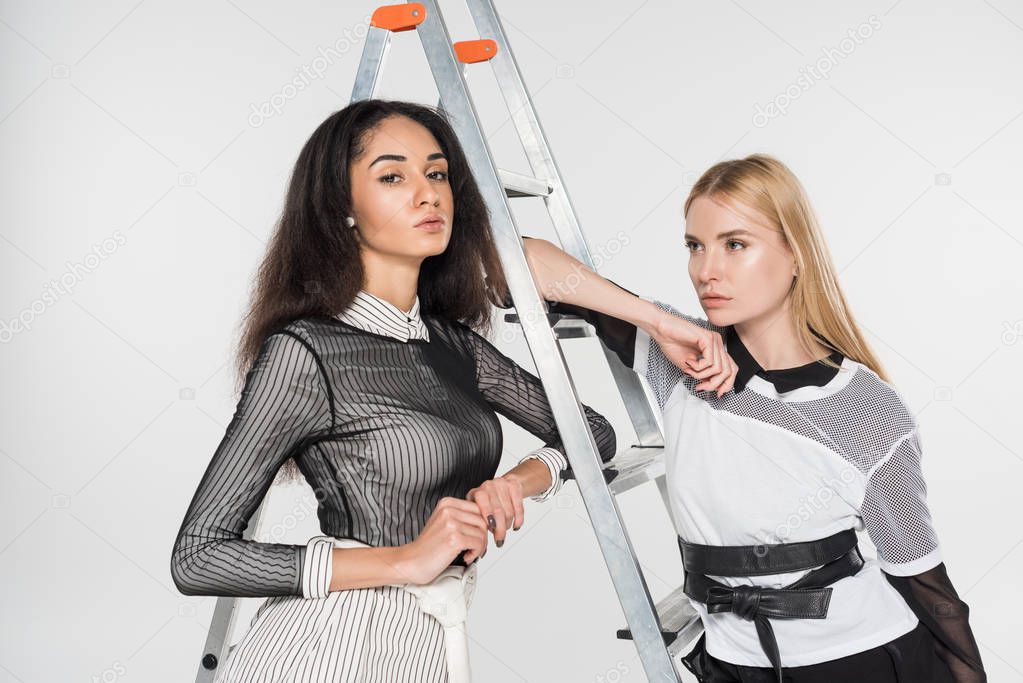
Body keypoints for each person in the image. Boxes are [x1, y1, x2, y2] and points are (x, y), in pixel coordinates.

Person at [169, 99, 616, 682]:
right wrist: (405, 560)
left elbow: (592, 433)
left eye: (436, 173)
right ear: (342, 210)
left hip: (427, 640)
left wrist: (512, 484)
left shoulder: (453, 346)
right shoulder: (307, 352)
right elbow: (198, 557)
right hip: (331, 647)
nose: (428, 193)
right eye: (392, 176)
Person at [514, 154, 985, 682]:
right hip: (734, 665)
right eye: (695, 245)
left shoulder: (866, 408)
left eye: (735, 244)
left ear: (795, 254)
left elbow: (925, 581)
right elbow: (515, 258)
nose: (706, 270)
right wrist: (657, 321)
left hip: (864, 660)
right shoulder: (679, 360)